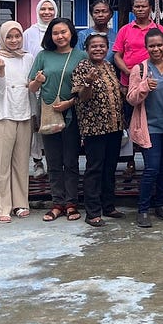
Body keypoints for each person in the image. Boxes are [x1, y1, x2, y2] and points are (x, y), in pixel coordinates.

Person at [29, 18, 87, 223]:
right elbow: (31, 87)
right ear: (50, 36)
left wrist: (69, 104)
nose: (60, 36)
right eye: (55, 33)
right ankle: (57, 203)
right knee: (53, 161)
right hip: (49, 114)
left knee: (70, 161)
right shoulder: (43, 55)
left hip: (72, 115)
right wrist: (38, 80)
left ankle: (71, 203)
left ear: (71, 33)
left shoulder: (81, 56)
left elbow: (84, 89)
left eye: (63, 32)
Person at [128, 28, 163, 227]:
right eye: (152, 46)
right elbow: (131, 99)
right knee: (151, 168)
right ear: (146, 47)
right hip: (149, 128)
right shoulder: (140, 69)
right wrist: (143, 87)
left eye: (159, 45)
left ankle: (160, 204)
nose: (156, 49)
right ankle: (142, 209)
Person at [71, 33, 124, 227]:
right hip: (95, 128)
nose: (98, 49)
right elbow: (82, 97)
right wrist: (89, 82)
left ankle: (108, 206)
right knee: (95, 168)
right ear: (87, 49)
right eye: (94, 46)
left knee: (110, 168)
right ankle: (92, 211)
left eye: (102, 46)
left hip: (114, 126)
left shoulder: (109, 66)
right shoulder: (83, 68)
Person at [0, 20, 34, 223]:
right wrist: (1, 70)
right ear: (3, 38)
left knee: (21, 163)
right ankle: (2, 206)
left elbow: (31, 88)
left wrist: (36, 114)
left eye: (17, 36)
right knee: (0, 165)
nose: (14, 40)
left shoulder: (28, 58)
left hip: (24, 114)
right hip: (2, 114)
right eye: (9, 37)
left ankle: (21, 203)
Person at [23, 0, 57, 179]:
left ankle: (55, 162)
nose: (47, 12)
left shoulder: (60, 30)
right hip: (35, 85)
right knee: (36, 124)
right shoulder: (29, 33)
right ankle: (38, 161)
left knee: (55, 123)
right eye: (43, 9)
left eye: (50, 8)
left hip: (57, 86)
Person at [113, 0, 163, 89]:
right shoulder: (124, 30)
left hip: (154, 80)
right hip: (128, 82)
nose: (140, 9)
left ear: (150, 8)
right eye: (137, 6)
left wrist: (156, 69)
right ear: (133, 9)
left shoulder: (160, 29)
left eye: (144, 6)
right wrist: (128, 72)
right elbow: (117, 56)